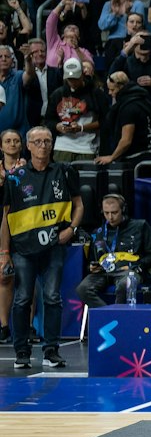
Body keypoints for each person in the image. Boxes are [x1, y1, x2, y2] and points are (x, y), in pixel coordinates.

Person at [2, 127, 80, 369]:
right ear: (29, 146)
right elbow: (5, 218)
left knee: (52, 298)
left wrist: (72, 229)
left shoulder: (65, 172)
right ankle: (22, 352)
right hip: (23, 248)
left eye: (47, 141)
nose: (43, 146)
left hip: (54, 246)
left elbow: (78, 205)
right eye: (38, 142)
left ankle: (51, 350)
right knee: (23, 298)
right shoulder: (15, 177)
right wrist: (4, 252)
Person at [75, 192, 151, 307]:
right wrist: (91, 267)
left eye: (114, 212)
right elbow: (91, 261)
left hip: (129, 271)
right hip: (103, 273)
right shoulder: (98, 233)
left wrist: (135, 266)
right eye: (106, 213)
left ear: (123, 210)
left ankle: (117, 317)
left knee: (125, 284)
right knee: (82, 288)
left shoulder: (140, 226)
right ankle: (108, 316)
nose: (110, 217)